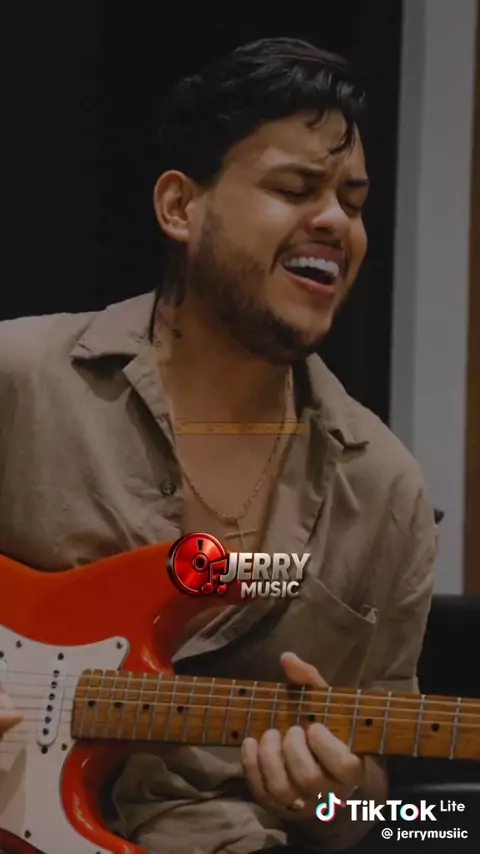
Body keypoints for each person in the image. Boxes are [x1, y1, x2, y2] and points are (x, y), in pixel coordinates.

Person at [0, 38, 436, 854]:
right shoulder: (19, 381)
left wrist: (334, 804)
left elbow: (403, 820)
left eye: (353, 201)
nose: (335, 221)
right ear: (180, 207)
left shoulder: (385, 490)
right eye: (294, 188)